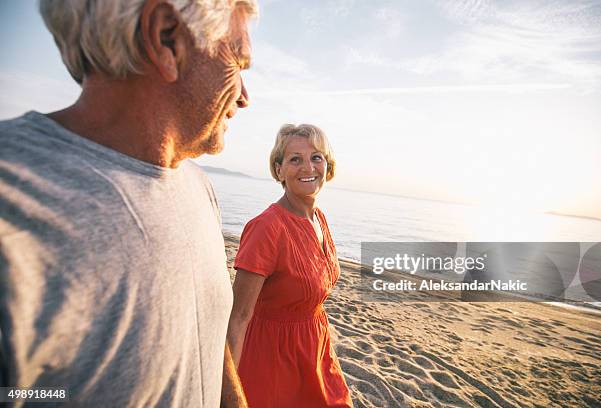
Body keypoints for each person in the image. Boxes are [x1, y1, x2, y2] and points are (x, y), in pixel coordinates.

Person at [0, 0, 257, 406]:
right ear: (167, 38)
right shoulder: (14, 202)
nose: (245, 96)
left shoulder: (198, 185)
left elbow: (205, 335)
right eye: (238, 62)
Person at [227, 124, 353, 407]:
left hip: (315, 348)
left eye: (316, 157)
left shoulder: (319, 218)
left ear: (327, 166)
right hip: (271, 359)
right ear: (279, 169)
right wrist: (228, 393)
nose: (308, 167)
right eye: (295, 159)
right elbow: (238, 317)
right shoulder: (266, 228)